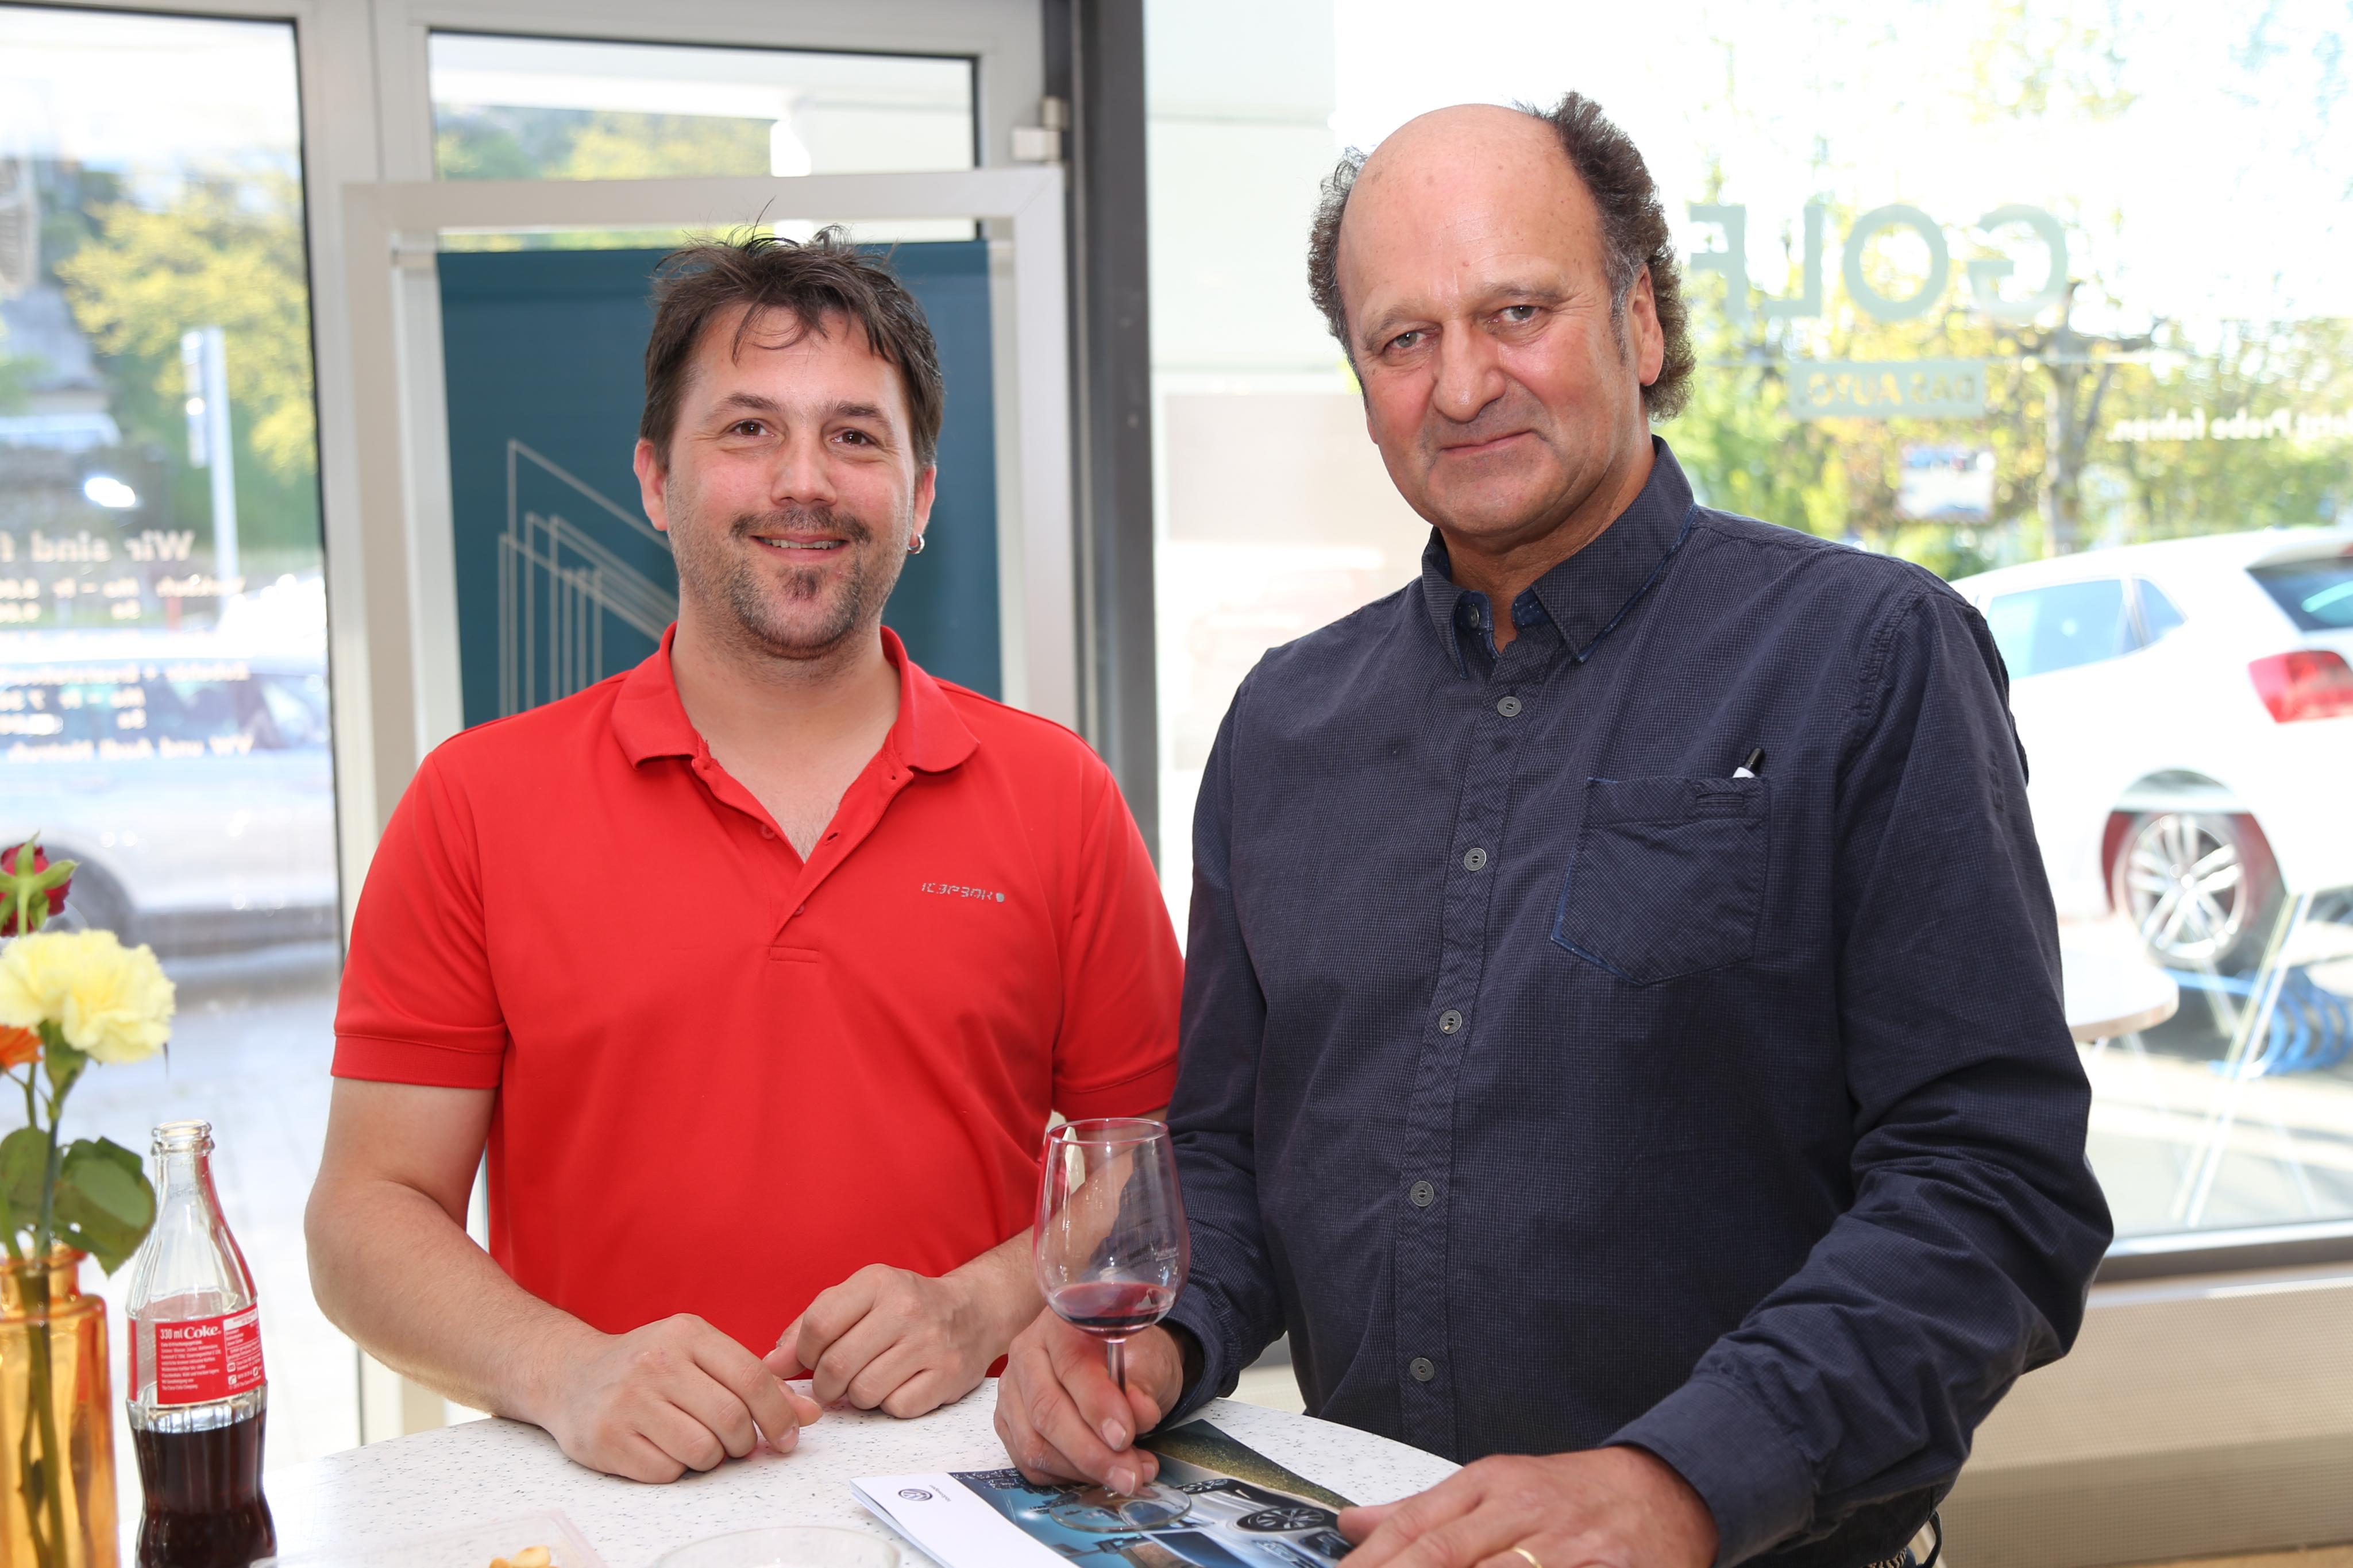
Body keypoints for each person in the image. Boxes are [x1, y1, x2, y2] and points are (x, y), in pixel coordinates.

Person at [996, 96, 2112, 1568]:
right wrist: (1152, 1340)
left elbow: (1992, 1187)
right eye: (1403, 338)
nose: (1462, 384)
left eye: (1516, 312)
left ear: (1639, 322)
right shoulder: (1282, 726)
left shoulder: (1868, 656)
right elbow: (1232, 1156)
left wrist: (1676, 1480)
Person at [309, 231, 1180, 1483]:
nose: (802, 481)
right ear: (657, 481)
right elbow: (363, 1215)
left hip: (973, 1496)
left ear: (921, 499)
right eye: (749, 429)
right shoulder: (474, 803)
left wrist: (981, 1303)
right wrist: (565, 1370)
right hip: (608, 1509)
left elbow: (1151, 1167)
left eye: (855, 436)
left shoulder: (1060, 798)